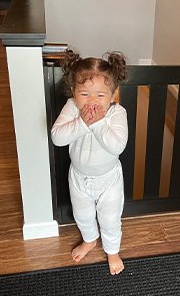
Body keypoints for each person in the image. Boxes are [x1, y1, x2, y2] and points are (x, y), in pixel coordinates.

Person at [51, 49, 128, 275]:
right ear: (74, 92)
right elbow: (57, 137)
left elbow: (117, 146)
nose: (92, 101)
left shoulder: (117, 113)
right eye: (84, 94)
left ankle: (112, 250)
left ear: (113, 95)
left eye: (100, 95)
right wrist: (82, 123)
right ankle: (90, 240)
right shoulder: (72, 108)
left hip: (109, 179)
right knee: (82, 215)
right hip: (78, 177)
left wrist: (97, 124)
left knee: (110, 217)